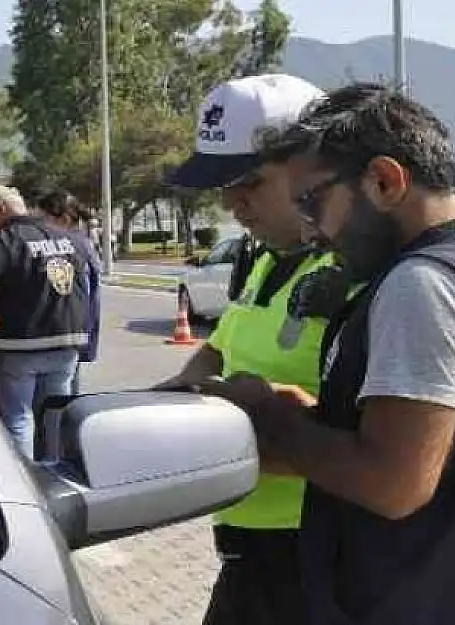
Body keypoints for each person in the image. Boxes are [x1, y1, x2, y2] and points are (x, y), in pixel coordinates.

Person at [198, 83, 455, 625]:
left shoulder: (424, 283)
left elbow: (394, 482)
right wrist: (316, 420)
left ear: (384, 181)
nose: (313, 227)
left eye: (313, 201)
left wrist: (267, 415)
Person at [156, 73, 358, 625]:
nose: (232, 204)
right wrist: (171, 406)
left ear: (313, 170)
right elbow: (217, 351)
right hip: (248, 545)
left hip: (319, 554)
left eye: (249, 182)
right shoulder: (266, 259)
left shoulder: (357, 276)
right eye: (224, 187)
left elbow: (377, 441)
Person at [0, 184, 90, 460]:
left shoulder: (0, 241)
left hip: (16, 344)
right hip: (65, 341)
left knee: (17, 420)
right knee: (54, 418)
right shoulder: (67, 238)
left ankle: (26, 483)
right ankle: (55, 476)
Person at [35, 189, 102, 396]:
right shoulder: (77, 243)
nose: (38, 225)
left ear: (63, 219)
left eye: (43, 219)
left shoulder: (73, 245)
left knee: (60, 396)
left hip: (69, 332)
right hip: (74, 332)